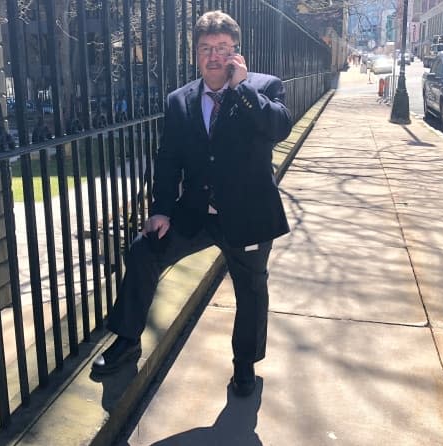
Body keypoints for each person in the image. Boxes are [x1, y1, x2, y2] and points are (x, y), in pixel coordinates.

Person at [91, 10, 293, 398]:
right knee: (143, 251)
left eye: (221, 48)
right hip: (196, 214)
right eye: (205, 49)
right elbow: (168, 160)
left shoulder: (265, 88)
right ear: (195, 54)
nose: (213, 56)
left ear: (236, 51)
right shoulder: (179, 100)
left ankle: (244, 365)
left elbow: (278, 127)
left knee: (251, 291)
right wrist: (161, 209)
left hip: (247, 216)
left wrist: (243, 88)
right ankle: (127, 339)